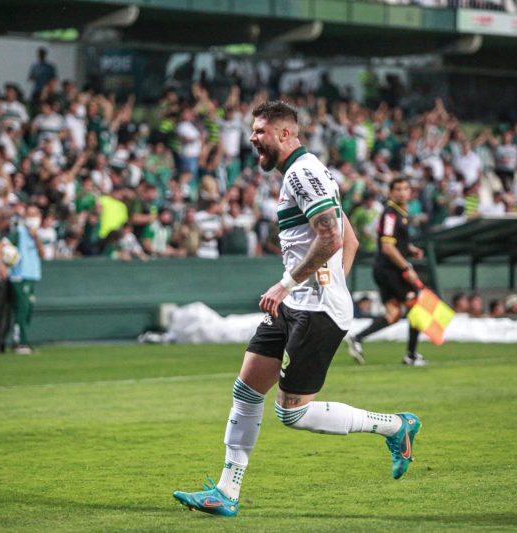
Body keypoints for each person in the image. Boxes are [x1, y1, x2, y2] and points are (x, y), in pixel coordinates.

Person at [172, 101, 421, 517]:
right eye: (252, 131)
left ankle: (396, 426)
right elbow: (350, 240)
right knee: (246, 390)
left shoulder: (304, 173)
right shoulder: (308, 172)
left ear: (286, 134)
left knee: (293, 413)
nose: (253, 138)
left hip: (314, 310)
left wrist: (291, 285)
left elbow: (332, 238)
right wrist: (328, 282)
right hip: (300, 303)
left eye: (261, 131)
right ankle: (226, 492)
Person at [344, 177, 427, 367]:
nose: (402, 192)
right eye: (398, 189)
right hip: (391, 271)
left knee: (393, 315)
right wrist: (407, 267)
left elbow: (393, 241)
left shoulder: (399, 213)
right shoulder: (390, 214)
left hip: (386, 270)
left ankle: (357, 338)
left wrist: (409, 248)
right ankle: (411, 355)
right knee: (417, 305)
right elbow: (387, 247)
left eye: (405, 188)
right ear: (390, 192)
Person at [0, 206, 44, 355]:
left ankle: (21, 339)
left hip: (32, 275)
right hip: (19, 276)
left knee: (28, 309)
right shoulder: (18, 233)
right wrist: (1, 266)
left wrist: (35, 237)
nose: (32, 218)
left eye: (35, 214)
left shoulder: (36, 235)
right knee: (21, 310)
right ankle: (19, 342)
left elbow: (42, 254)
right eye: (29, 214)